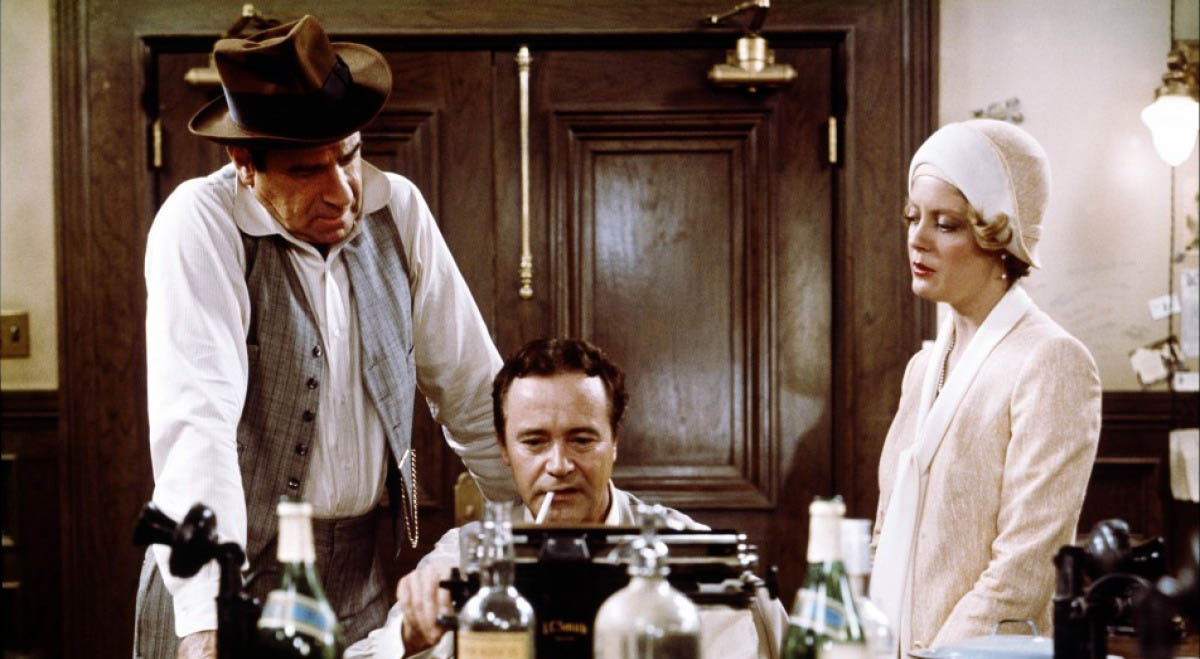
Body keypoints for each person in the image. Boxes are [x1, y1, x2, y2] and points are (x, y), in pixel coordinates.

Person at [133, 15, 516, 658]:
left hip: (358, 583)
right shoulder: (200, 223)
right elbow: (196, 424)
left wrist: (550, 521)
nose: (342, 193)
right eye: (309, 170)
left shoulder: (398, 211)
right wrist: (206, 618)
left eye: (349, 155)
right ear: (244, 164)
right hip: (230, 585)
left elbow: (477, 395)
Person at [345, 338, 789, 658]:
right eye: (534, 442)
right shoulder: (466, 555)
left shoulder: (692, 555)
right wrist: (410, 636)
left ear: (614, 443)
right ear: (504, 449)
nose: (558, 465)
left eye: (581, 440)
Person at [869, 119, 1102, 654]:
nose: (917, 238)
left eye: (946, 224)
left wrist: (939, 656)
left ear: (999, 237)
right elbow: (885, 533)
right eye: (913, 216)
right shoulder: (923, 369)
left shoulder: (1051, 361)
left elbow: (1025, 567)